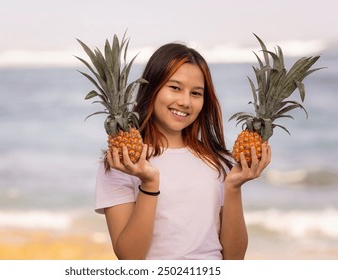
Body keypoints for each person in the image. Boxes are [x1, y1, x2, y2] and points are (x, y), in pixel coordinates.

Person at [95, 43, 271, 260]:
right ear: (152, 88)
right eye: (175, 88)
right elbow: (130, 258)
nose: (185, 102)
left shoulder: (220, 162)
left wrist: (233, 187)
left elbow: (234, 259)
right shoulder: (121, 162)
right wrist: (149, 184)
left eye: (196, 93)